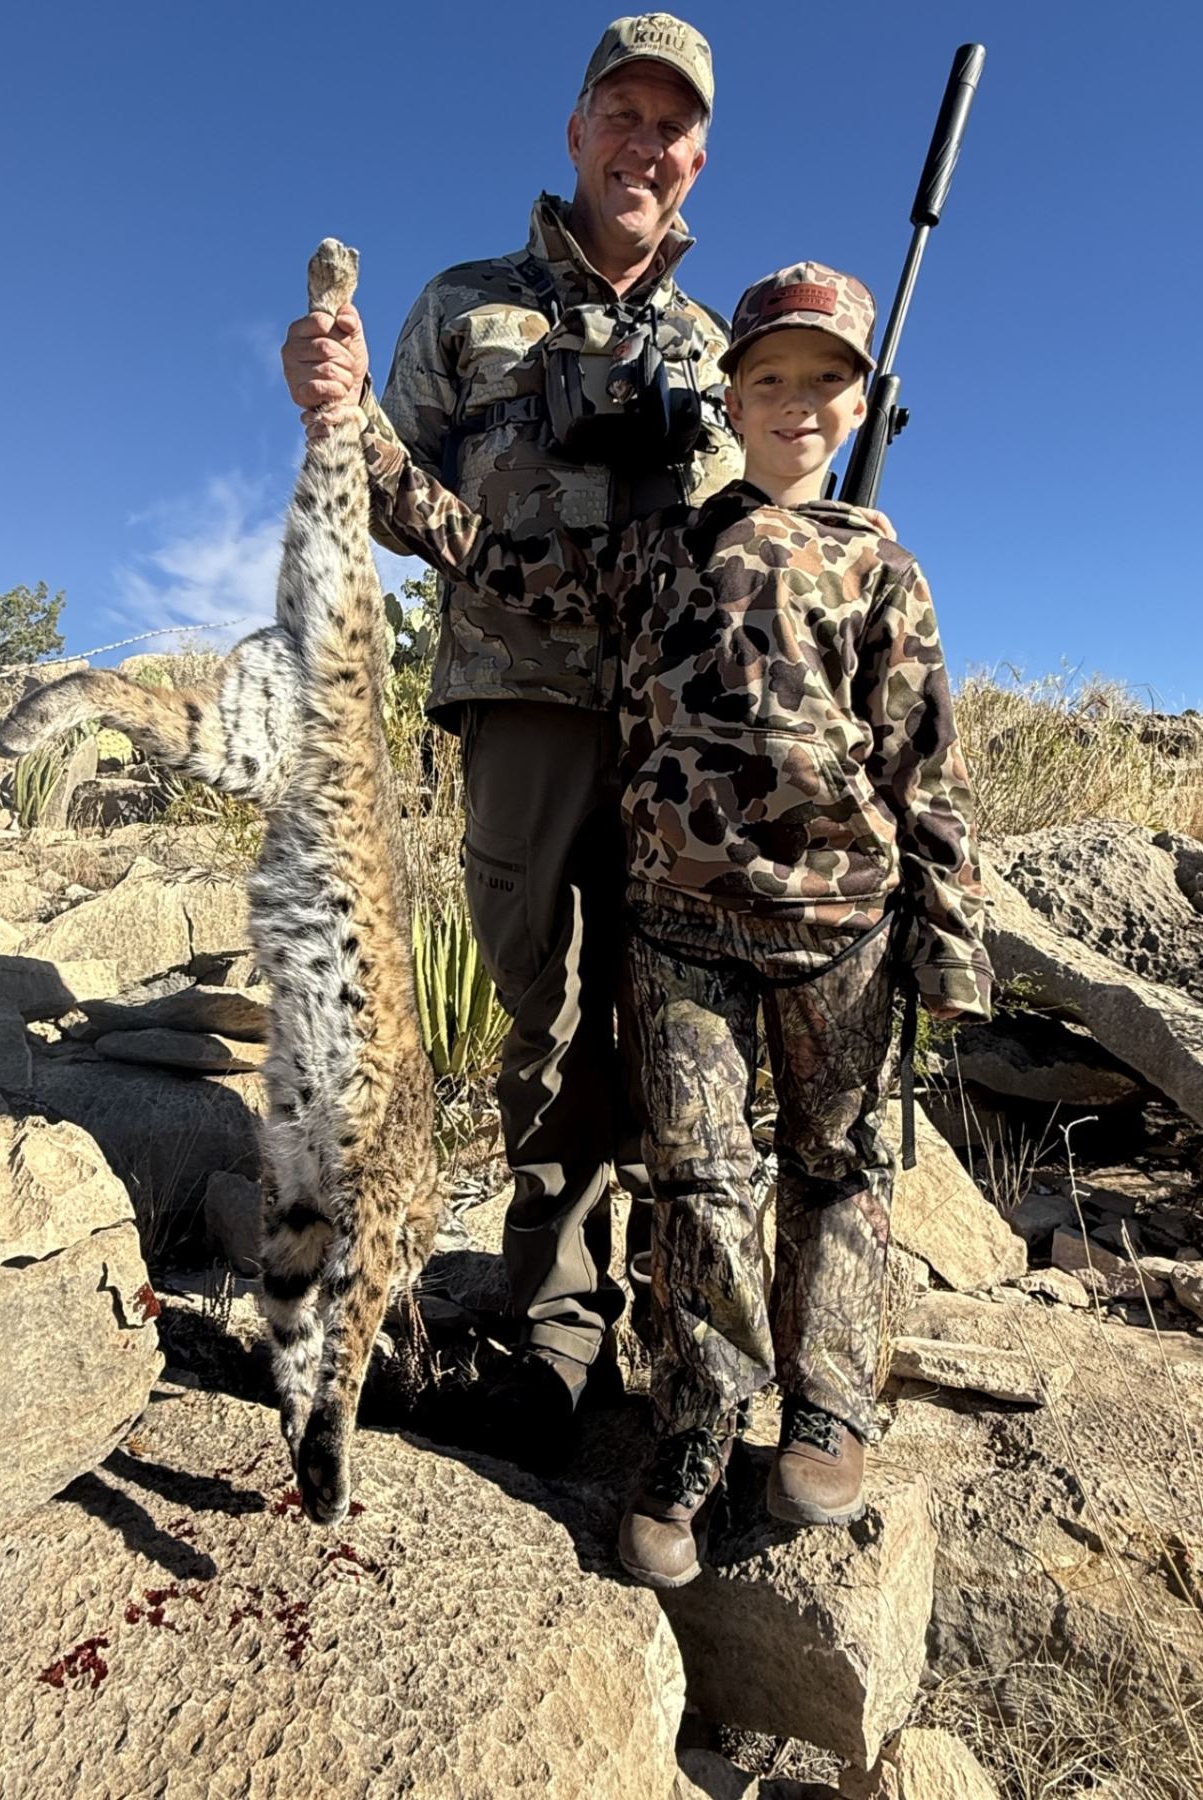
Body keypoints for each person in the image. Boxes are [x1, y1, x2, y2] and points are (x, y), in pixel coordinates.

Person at [305, 260, 992, 1585]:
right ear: (726, 398)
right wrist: (357, 432)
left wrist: (945, 930)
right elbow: (485, 551)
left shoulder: (882, 565)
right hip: (677, 932)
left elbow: (926, 760)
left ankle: (827, 1405)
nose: (797, 403)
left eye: (826, 382)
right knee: (697, 1181)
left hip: (840, 926)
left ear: (859, 407)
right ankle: (696, 1422)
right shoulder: (652, 549)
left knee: (838, 1167)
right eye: (770, 378)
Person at [283, 14, 744, 1461]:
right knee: (543, 1028)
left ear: (696, 159)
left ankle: (685, 1341)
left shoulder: (719, 348)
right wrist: (330, 403)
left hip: (676, 733)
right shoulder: (465, 303)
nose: (644, 144)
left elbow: (751, 541)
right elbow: (375, 475)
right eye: (624, 113)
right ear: (576, 129)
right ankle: (553, 1338)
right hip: (521, 709)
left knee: (673, 1026)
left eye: (672, 126)